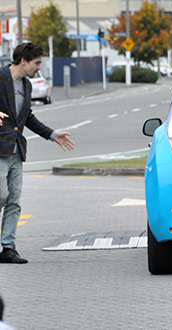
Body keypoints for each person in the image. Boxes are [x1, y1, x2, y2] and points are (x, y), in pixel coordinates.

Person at [0, 43, 75, 264]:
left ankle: (8, 248)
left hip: (16, 150)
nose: (38, 67)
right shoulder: (1, 77)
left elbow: (28, 117)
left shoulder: (27, 85)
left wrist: (52, 135)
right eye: (37, 63)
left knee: (14, 201)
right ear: (23, 60)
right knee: (1, 195)